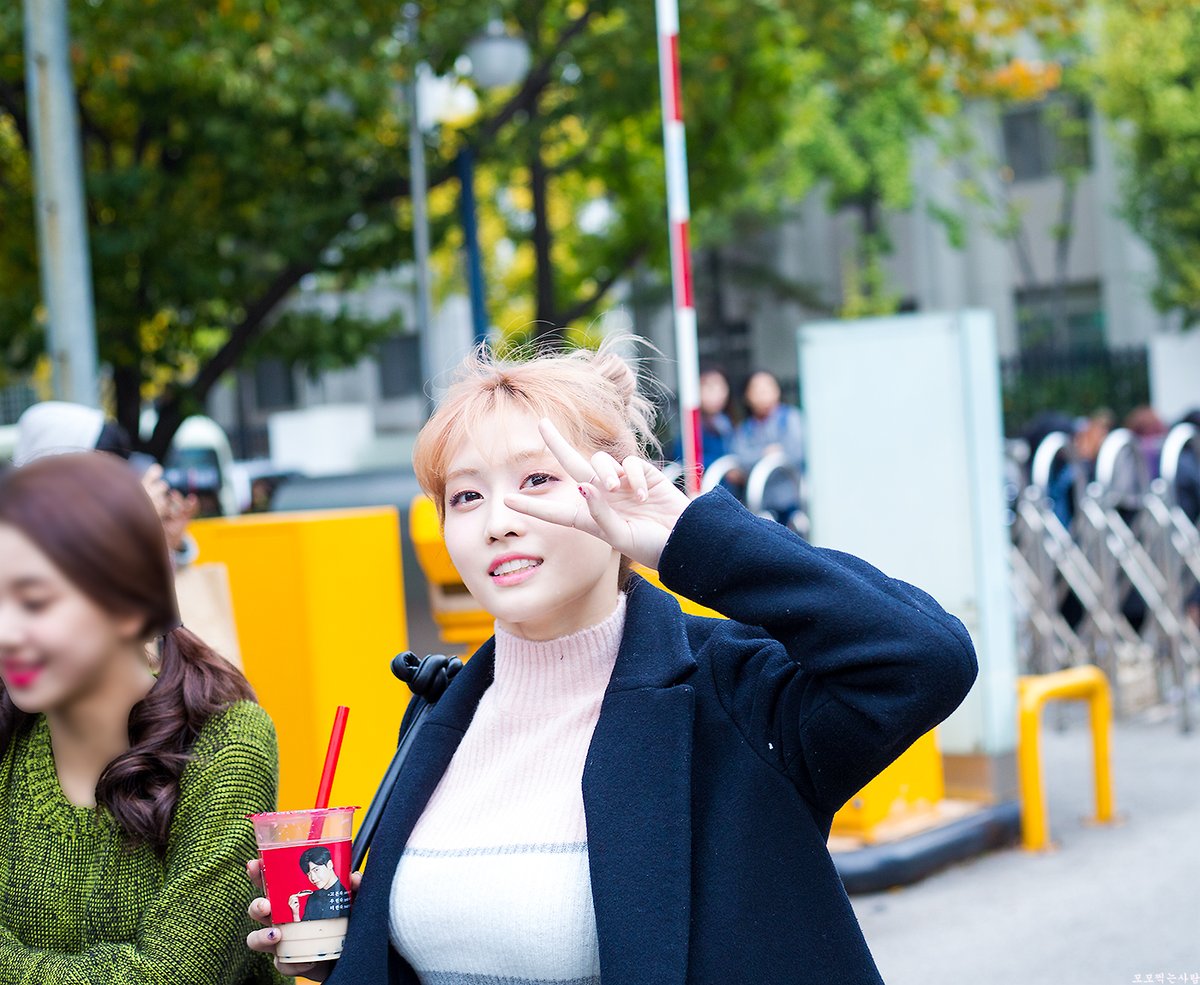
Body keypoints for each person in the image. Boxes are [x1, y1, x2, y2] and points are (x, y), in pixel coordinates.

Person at [247, 340, 977, 984]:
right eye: (465, 495)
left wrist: (686, 534)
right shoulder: (442, 712)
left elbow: (925, 657)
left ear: (614, 485)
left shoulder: (730, 694)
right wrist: (351, 952)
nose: (498, 521)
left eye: (537, 480)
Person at [0, 452, 285, 984]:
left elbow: (176, 974)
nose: (5, 633)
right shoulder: (11, 736)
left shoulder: (226, 742)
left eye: (34, 602)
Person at [13, 400, 200, 569]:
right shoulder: (25, 540)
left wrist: (166, 541)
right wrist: (136, 520)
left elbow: (145, 589)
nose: (110, 481)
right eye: (99, 467)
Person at [731, 369, 805, 525]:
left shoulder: (791, 418)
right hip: (761, 503)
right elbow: (740, 462)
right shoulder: (745, 429)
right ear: (747, 396)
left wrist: (774, 457)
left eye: (767, 387)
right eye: (756, 389)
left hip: (791, 500)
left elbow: (796, 453)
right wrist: (764, 455)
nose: (763, 393)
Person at [670, 364, 735, 471]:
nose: (717, 394)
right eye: (710, 388)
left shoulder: (727, 422)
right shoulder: (690, 426)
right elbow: (687, 459)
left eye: (720, 387)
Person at [290, 847, 352, 922]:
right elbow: (305, 927)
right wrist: (296, 914)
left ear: (329, 865)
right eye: (309, 874)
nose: (312, 878)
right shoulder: (313, 897)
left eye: (316, 870)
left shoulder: (344, 894)